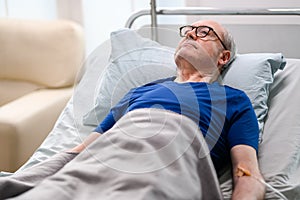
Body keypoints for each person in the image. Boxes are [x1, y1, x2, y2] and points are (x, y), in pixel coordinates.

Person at [1, 20, 265, 200]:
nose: (190, 35)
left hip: (173, 152)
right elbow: (80, 152)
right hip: (108, 156)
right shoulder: (140, 92)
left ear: (223, 58)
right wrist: (23, 180)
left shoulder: (233, 100)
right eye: (187, 31)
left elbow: (247, 172)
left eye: (204, 32)